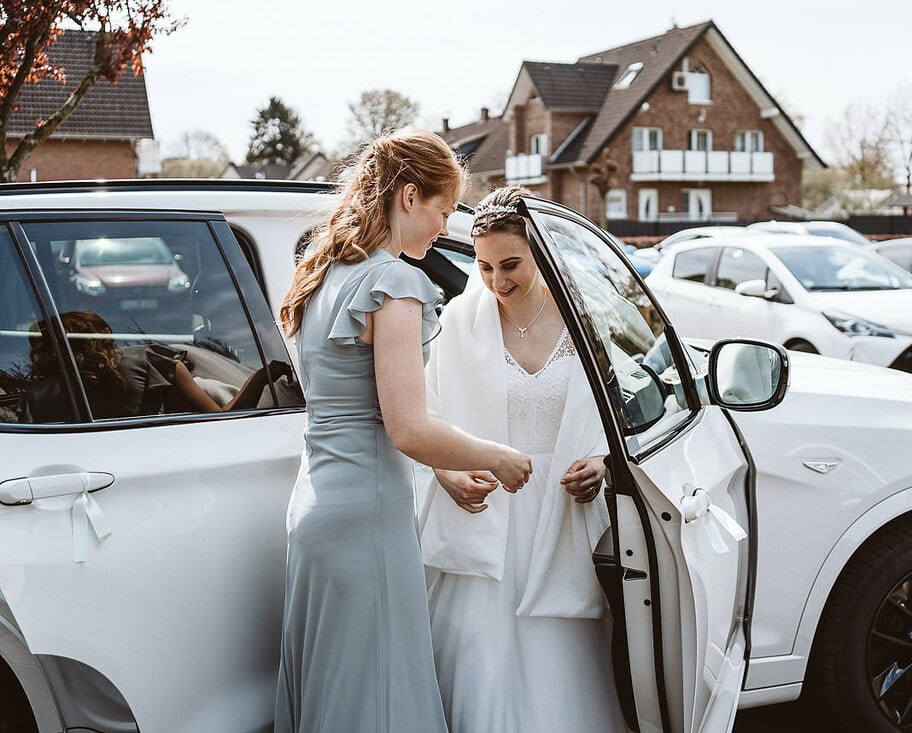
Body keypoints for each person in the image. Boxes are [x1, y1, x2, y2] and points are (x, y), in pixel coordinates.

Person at [273, 130, 531, 733]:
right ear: (410, 196)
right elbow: (408, 428)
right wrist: (497, 455)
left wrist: (446, 463)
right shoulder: (395, 283)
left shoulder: (324, 273)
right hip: (367, 513)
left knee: (336, 695)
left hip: (314, 506)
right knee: (380, 702)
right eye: (444, 211)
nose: (446, 228)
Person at [419, 186, 626, 733]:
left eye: (510, 264)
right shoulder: (458, 324)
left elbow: (617, 414)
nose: (496, 282)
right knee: (483, 655)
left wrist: (601, 464)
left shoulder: (585, 323)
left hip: (560, 512)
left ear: (542, 252)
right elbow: (425, 418)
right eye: (484, 267)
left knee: (562, 652)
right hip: (485, 511)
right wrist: (447, 473)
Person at [18, 310, 288, 422]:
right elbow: (224, 419)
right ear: (105, 333)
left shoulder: (37, 396)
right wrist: (261, 377)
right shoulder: (151, 362)